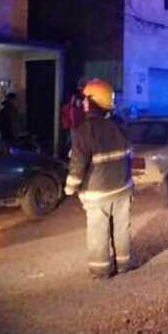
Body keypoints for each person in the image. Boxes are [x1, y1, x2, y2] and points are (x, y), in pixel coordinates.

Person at [64, 78, 134, 279]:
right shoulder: (120, 126)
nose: (83, 102)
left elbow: (78, 164)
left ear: (93, 102)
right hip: (123, 188)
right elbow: (128, 153)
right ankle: (124, 264)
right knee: (121, 229)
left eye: (86, 99)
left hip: (97, 193)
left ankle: (101, 270)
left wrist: (70, 187)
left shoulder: (82, 131)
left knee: (98, 232)